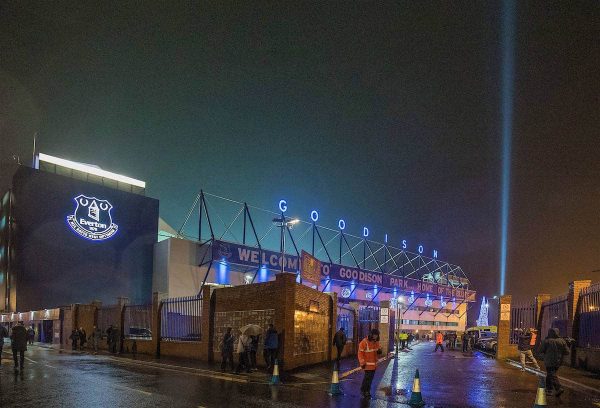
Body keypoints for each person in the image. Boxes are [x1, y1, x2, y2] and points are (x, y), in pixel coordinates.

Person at [540, 328, 569, 397]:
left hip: (549, 361)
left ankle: (558, 388)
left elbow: (541, 350)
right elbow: (567, 352)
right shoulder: (562, 341)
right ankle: (549, 390)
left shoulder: (547, 341)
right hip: (558, 361)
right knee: (550, 374)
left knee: (551, 374)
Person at [358, 328, 382, 399]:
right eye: (374, 335)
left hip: (373, 365)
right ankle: (366, 391)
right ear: (371, 335)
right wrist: (362, 363)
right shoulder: (364, 342)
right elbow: (360, 353)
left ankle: (363, 389)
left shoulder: (376, 342)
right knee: (368, 379)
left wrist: (379, 351)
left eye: (377, 335)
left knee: (369, 379)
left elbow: (376, 351)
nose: (376, 337)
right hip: (367, 364)